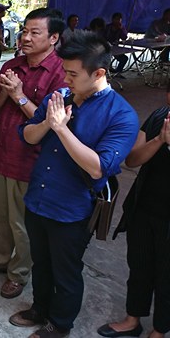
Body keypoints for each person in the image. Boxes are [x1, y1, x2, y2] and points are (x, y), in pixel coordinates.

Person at [10, 30, 138, 338]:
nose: (65, 79)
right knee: (40, 261)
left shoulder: (121, 115)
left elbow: (98, 169)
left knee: (66, 271)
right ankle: (39, 308)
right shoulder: (61, 97)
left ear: (99, 73)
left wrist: (61, 129)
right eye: (64, 72)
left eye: (72, 74)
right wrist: (46, 123)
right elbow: (27, 136)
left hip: (73, 208)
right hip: (39, 196)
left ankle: (60, 324)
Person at [0, 8, 67, 300]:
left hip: (31, 161)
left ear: (53, 38)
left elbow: (50, 121)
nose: (25, 37)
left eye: (34, 32)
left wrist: (19, 94)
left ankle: (18, 274)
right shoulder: (12, 63)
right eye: (24, 30)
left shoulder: (60, 73)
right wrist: (4, 92)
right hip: (0, 151)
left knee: (21, 224)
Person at [97, 103, 170, 338]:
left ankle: (159, 330)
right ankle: (132, 319)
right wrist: (159, 140)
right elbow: (132, 160)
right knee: (139, 265)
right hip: (145, 207)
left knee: (166, 275)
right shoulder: (159, 115)